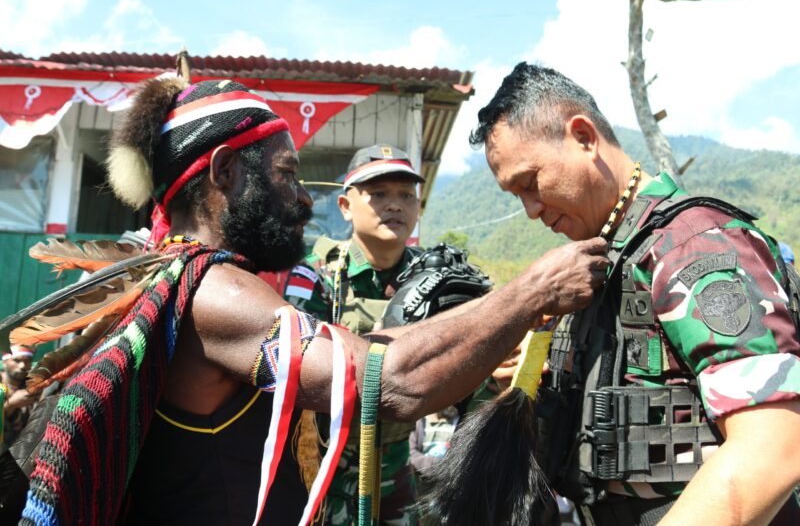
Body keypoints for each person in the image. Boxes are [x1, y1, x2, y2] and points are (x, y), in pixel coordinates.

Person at [18, 76, 608, 525]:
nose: (303, 199)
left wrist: (491, 317)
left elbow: (357, 352)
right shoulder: (211, 292)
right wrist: (533, 291)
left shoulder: (174, 279)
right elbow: (388, 381)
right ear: (225, 172)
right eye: (286, 173)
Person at [469, 62, 800, 525]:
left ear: (583, 137)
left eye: (530, 183)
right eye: (515, 195)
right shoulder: (606, 261)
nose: (529, 210)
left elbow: (773, 447)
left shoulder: (692, 244)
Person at [285, 144, 425, 525]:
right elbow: (298, 368)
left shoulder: (434, 278)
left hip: (397, 462)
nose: (394, 205)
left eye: (405, 196)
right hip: (326, 465)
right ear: (346, 206)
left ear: (419, 207)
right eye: (377, 194)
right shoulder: (316, 276)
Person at [1, 345, 37, 445]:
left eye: (28, 360)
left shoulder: (35, 384)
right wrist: (11, 404)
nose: (22, 366)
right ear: (4, 362)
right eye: (16, 360)